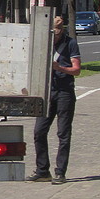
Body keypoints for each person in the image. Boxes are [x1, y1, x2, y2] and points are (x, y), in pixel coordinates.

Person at [28, 15, 81, 185]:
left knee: (63, 133)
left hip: (64, 92)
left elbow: (77, 70)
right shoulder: (44, 43)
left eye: (57, 33)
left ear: (61, 30)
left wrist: (60, 68)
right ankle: (43, 170)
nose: (54, 36)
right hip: (47, 91)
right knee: (39, 131)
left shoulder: (70, 43)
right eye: (52, 33)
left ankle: (60, 172)